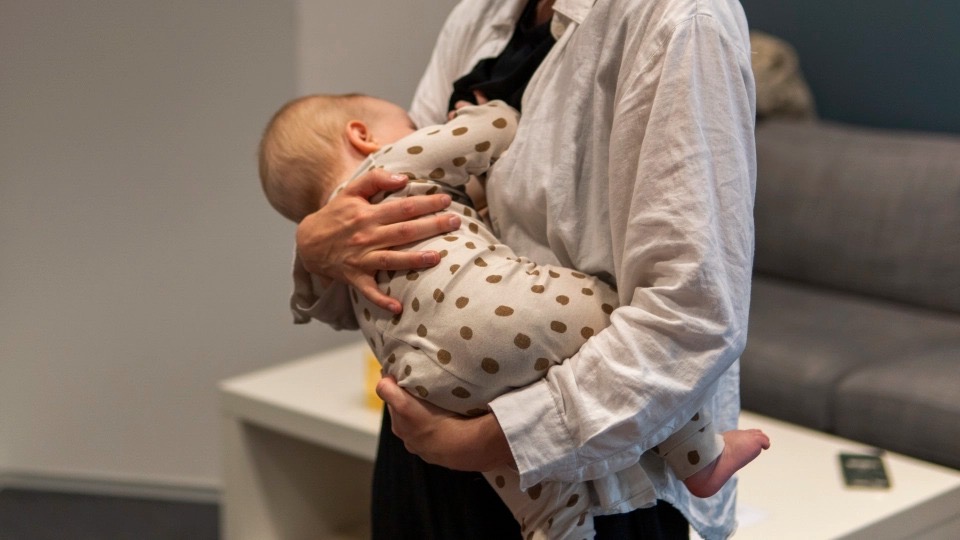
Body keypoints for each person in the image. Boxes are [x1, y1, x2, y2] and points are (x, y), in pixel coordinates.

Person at [294, 0, 759, 538]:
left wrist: (490, 441)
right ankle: (695, 455)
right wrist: (317, 245)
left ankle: (691, 457)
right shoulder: (480, 14)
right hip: (425, 440)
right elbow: (401, 230)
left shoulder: (682, 21)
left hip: (602, 463)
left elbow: (691, 318)